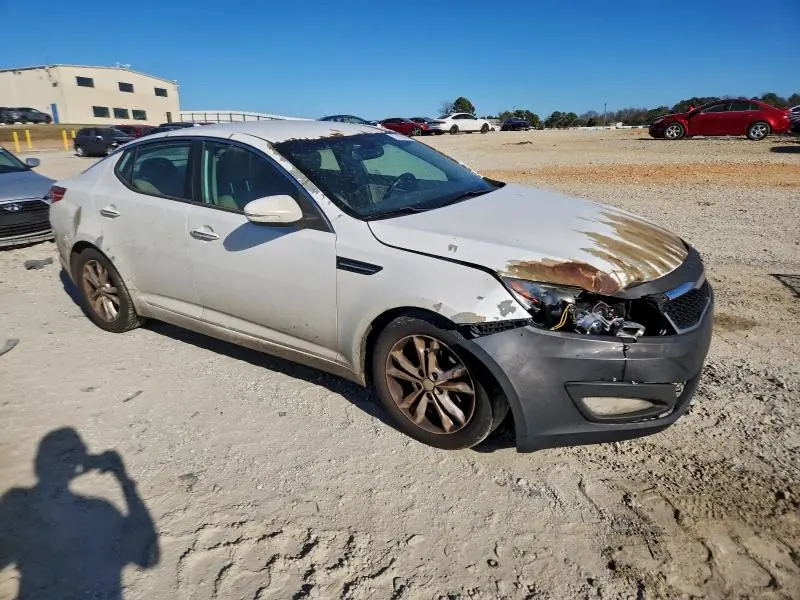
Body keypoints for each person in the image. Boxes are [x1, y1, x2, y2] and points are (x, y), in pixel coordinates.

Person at [0, 428, 158, 599]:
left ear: (38, 464)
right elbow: (147, 558)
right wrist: (123, 480)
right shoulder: (103, 511)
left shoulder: (18, 505)